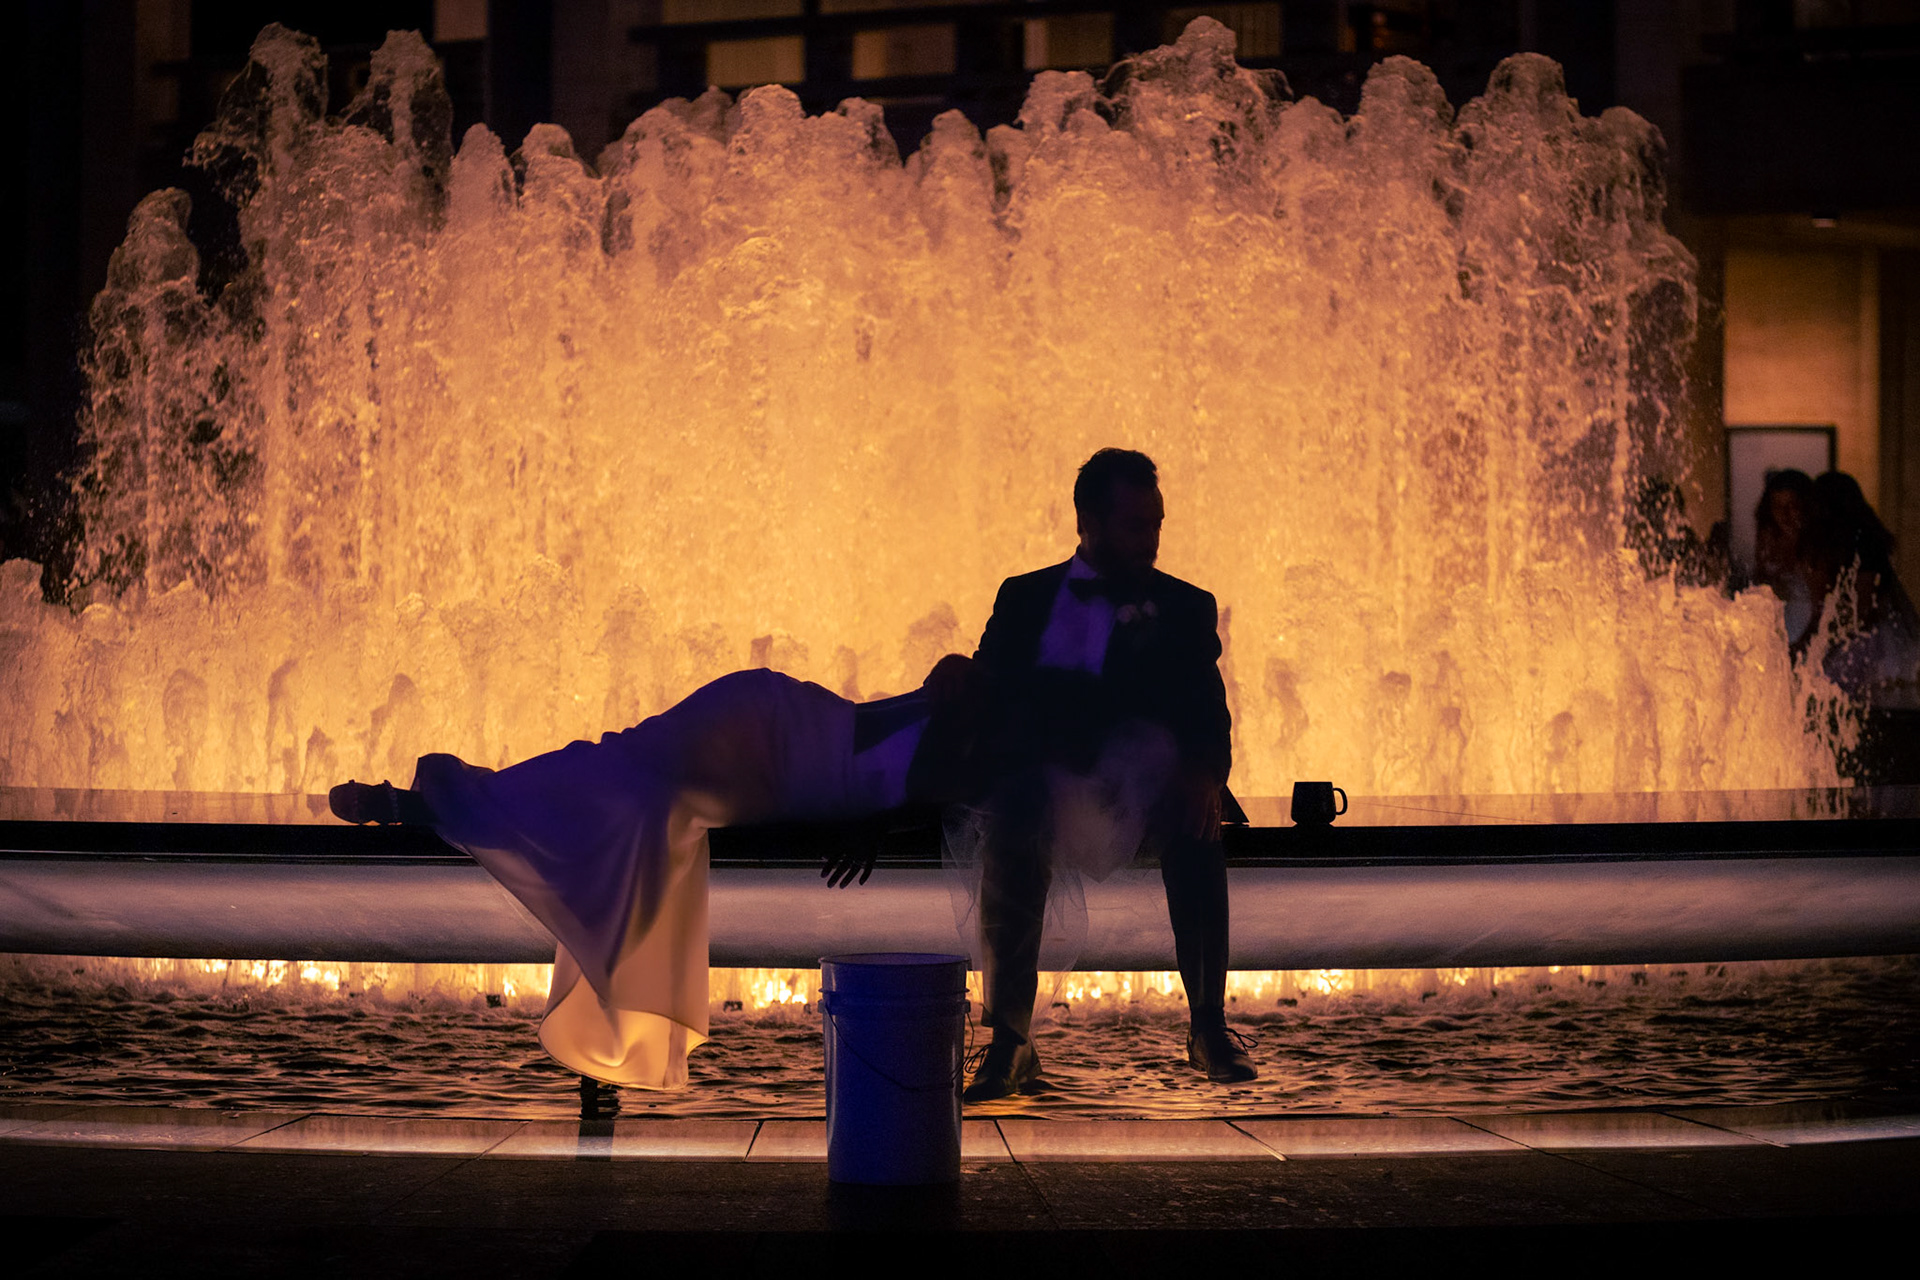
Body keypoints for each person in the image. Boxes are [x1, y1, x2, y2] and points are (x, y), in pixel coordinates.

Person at [331, 666, 973, 1092]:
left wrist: (878, 821)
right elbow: (925, 705)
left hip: (780, 769)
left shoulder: (981, 757)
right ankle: (437, 803)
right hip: (777, 728)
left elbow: (932, 787)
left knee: (629, 792)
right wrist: (876, 820)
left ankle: (444, 801)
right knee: (623, 777)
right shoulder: (969, 700)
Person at [960, 448, 1252, 1101]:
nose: (1150, 541)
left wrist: (1204, 773)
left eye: (1156, 524)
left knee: (1199, 817)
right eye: (1134, 525)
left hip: (1143, 790)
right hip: (1047, 784)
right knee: (1012, 820)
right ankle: (1010, 1042)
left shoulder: (1184, 606)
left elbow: (1207, 712)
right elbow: (986, 696)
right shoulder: (1025, 598)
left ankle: (1208, 1025)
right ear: (1086, 520)